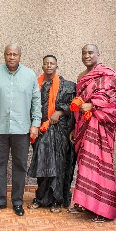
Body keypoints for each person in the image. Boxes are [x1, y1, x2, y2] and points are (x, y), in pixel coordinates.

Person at [68, 44, 116, 223]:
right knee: (85, 165)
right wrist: (74, 127)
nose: (87, 55)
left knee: (99, 165)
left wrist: (93, 105)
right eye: (84, 53)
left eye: (90, 52)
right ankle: (85, 204)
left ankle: (103, 209)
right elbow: (79, 103)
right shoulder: (81, 76)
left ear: (98, 54)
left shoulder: (108, 74)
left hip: (100, 126)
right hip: (83, 127)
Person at [0, 44, 41, 216]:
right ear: (4, 55)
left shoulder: (30, 75)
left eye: (15, 54)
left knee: (20, 166)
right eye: (8, 54)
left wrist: (35, 124)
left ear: (20, 56)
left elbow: (36, 102)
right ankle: (0, 200)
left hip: (22, 129)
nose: (11, 57)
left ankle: (17, 201)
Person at [27, 55, 76, 213]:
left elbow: (73, 106)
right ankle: (41, 198)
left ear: (57, 66)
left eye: (52, 63)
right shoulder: (35, 85)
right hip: (40, 131)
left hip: (59, 132)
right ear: (42, 66)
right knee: (42, 165)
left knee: (57, 165)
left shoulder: (67, 86)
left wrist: (60, 112)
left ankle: (56, 199)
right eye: (46, 63)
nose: (49, 66)